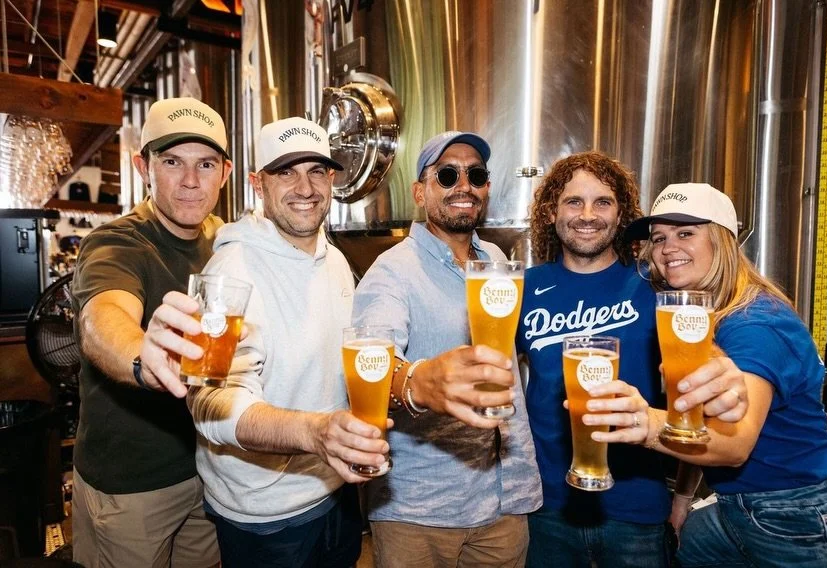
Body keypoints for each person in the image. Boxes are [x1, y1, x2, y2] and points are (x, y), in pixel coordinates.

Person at [516, 152, 749, 567]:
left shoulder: (658, 289)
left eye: (602, 202)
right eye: (574, 202)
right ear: (552, 212)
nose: (588, 215)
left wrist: (681, 496)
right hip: (545, 510)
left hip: (638, 513)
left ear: (621, 213)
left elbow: (691, 395)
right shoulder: (523, 290)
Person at [613, 182, 827, 567]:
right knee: (687, 546)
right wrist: (681, 503)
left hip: (806, 504)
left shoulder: (754, 323)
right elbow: (701, 419)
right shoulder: (698, 321)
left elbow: (734, 444)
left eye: (686, 233)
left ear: (722, 241)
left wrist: (646, 423)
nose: (667, 247)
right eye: (658, 238)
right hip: (739, 503)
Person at [185, 116, 389, 567]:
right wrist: (312, 432)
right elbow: (206, 401)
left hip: (334, 488)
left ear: (333, 179)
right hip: (264, 514)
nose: (306, 187)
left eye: (317, 171)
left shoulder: (333, 259)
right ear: (258, 184)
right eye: (286, 172)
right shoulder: (228, 273)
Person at [352, 131, 543, 567]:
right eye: (447, 175)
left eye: (475, 175)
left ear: (487, 189)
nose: (464, 186)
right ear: (420, 192)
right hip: (421, 510)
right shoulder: (392, 272)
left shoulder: (495, 260)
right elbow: (372, 367)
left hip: (503, 499)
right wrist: (419, 383)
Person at [71, 97, 231, 567]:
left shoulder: (223, 239)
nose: (189, 181)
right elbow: (103, 319)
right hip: (130, 486)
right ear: (144, 166)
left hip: (208, 473)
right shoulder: (117, 242)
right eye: (171, 162)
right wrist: (144, 358)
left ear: (224, 173)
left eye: (204, 164)